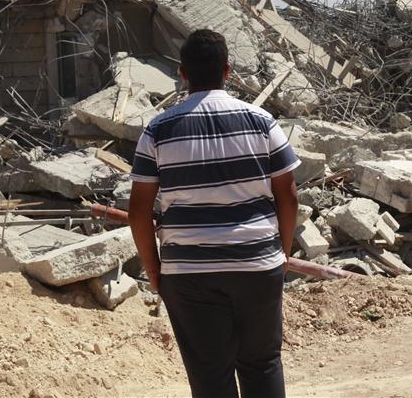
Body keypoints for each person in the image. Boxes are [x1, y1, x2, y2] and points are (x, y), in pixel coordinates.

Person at [128, 29, 300, 398]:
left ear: (182, 73)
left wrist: (156, 272)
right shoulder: (262, 122)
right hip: (258, 265)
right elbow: (289, 198)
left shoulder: (158, 131)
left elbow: (138, 212)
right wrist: (281, 253)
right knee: (262, 363)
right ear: (227, 70)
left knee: (210, 375)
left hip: (189, 274)